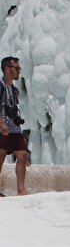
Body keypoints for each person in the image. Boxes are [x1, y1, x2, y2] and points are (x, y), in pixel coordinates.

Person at [0, 56, 30, 196]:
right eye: (16, 68)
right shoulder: (0, 86)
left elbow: (14, 110)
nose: (19, 71)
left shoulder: (15, 90)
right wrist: (1, 123)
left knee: (22, 155)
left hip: (14, 129)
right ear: (7, 69)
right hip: (2, 128)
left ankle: (21, 190)